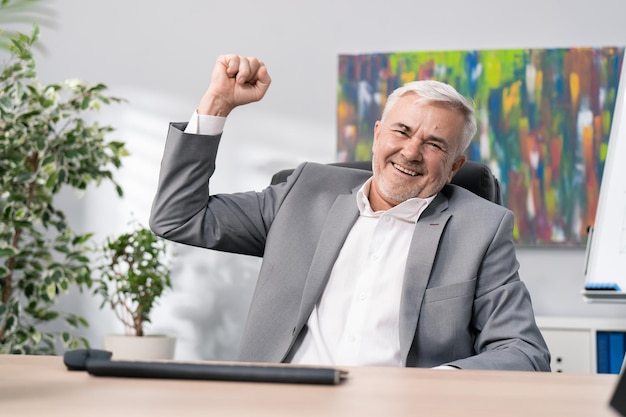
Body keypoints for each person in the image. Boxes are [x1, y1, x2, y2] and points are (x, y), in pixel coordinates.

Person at [149, 54, 551, 371]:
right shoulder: (304, 194)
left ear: (455, 167)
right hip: (280, 401)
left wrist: (436, 385)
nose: (411, 152)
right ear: (377, 136)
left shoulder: (481, 228)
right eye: (402, 131)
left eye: (434, 144)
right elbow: (178, 217)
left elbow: (523, 351)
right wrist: (217, 104)